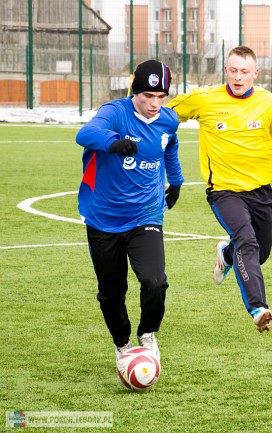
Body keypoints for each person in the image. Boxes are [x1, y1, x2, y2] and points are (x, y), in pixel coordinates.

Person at [167, 46, 272, 333]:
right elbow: (168, 112)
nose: (238, 77)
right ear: (226, 71)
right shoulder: (206, 100)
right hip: (224, 191)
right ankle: (258, 308)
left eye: (244, 71)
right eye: (233, 70)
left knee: (261, 253)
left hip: (260, 191)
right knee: (247, 240)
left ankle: (226, 255)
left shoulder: (271, 104)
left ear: (255, 73)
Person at [76, 60, 184, 362]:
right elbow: (85, 134)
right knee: (111, 292)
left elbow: (170, 147)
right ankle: (122, 343)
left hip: (146, 214)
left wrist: (176, 181)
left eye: (161, 96)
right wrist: (113, 142)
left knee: (154, 281)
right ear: (134, 90)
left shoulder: (168, 120)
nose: (155, 104)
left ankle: (147, 334)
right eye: (148, 96)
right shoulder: (114, 112)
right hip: (103, 217)